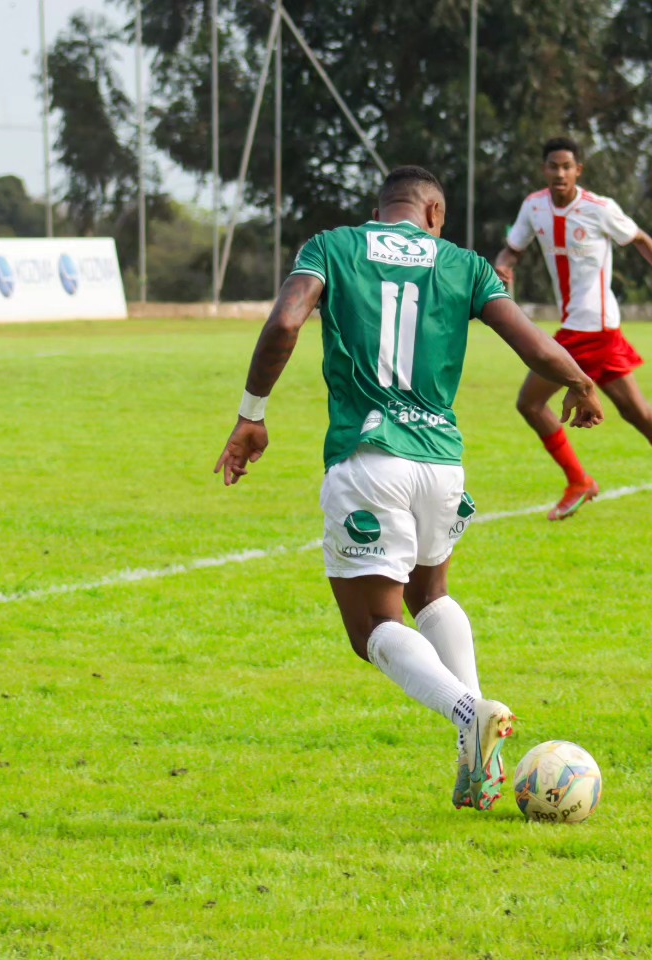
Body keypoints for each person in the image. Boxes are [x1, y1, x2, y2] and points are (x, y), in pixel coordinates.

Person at [213, 166, 604, 811]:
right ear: (435, 214)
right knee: (430, 593)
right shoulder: (464, 263)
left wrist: (252, 414)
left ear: (381, 211)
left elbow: (284, 324)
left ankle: (469, 711)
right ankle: (476, 748)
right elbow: (532, 342)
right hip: (442, 464)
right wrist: (581, 384)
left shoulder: (333, 246)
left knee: (373, 625)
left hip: (370, 458)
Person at [493, 136, 652, 522]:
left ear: (578, 170)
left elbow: (641, 240)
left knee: (530, 403)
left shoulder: (599, 209)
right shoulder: (534, 207)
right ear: (544, 170)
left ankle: (579, 481)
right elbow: (513, 249)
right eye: (553, 166)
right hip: (589, 329)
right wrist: (502, 264)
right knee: (636, 411)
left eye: (567, 166)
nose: (560, 173)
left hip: (591, 329)